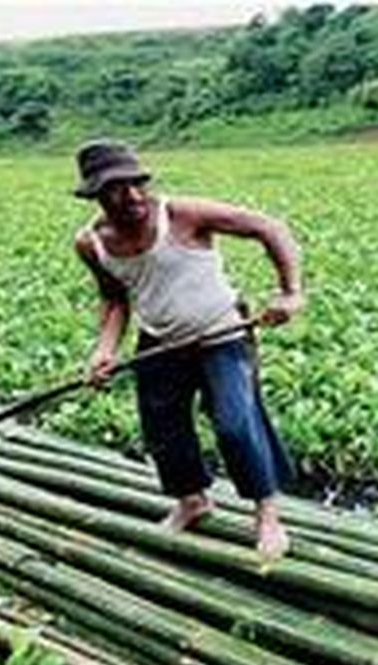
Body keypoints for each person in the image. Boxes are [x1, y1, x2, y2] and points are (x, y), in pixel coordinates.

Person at [71, 139, 304, 560]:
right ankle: (192, 502)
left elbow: (269, 228)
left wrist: (290, 293)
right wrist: (103, 350)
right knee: (164, 428)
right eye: (117, 189)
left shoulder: (181, 214)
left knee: (236, 422)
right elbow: (115, 300)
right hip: (160, 340)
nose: (133, 196)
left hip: (221, 333)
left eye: (136, 184)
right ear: (97, 196)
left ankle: (266, 514)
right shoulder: (92, 243)